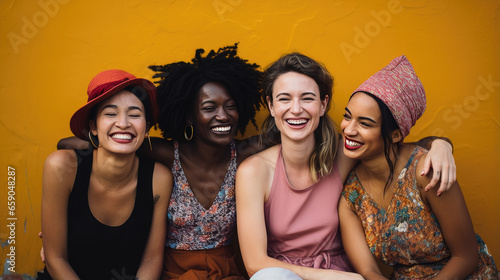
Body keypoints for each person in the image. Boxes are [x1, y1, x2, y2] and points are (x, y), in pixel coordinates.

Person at [235, 53, 457, 280]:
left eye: (307, 98)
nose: (296, 109)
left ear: (323, 105)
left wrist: (441, 146)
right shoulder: (254, 172)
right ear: (271, 106)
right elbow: (255, 264)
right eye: (284, 99)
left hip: (343, 272)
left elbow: (400, 149)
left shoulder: (345, 154)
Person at [338, 55, 499, 279]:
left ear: (395, 135)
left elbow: (466, 256)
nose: (349, 129)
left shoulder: (426, 171)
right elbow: (368, 270)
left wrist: (442, 144)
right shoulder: (351, 196)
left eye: (365, 123)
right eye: (347, 117)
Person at [37, 69, 172, 280]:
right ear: (93, 126)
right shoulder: (62, 167)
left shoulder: (159, 178)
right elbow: (55, 259)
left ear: (146, 129)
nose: (123, 123)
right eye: (110, 113)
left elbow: (151, 260)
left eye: (135, 115)